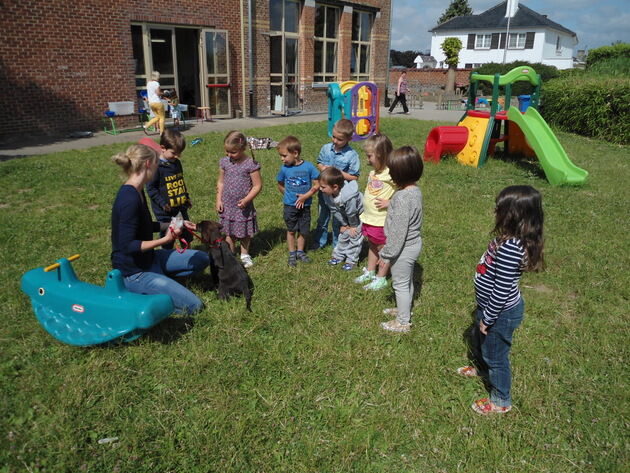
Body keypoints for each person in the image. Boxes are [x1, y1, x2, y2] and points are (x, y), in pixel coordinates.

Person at [458, 185, 545, 415]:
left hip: (499, 313)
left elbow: (502, 290)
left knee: (496, 356)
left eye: (499, 208)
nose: (494, 211)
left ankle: (501, 400)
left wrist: (488, 318)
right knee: (483, 344)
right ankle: (483, 370)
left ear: (513, 216)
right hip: (490, 308)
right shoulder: (509, 240)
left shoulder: (510, 248)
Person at [110, 144, 210, 314]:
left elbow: (145, 226)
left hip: (150, 259)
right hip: (134, 272)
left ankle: (162, 283)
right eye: (157, 163)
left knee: (201, 258)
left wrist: (176, 223)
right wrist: (165, 240)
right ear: (148, 164)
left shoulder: (138, 190)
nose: (158, 168)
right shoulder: (129, 199)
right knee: (195, 306)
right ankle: (140, 291)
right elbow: (127, 246)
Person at [378, 146, 424, 333]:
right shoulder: (414, 191)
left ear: (399, 174)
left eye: (391, 171)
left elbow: (398, 232)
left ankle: (403, 322)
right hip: (412, 244)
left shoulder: (403, 197)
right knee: (406, 281)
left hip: (403, 247)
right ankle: (403, 308)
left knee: (400, 284)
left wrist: (386, 253)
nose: (389, 174)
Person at [216, 131, 263, 268]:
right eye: (227, 151)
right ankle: (230, 255)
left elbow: (257, 185)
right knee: (229, 232)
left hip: (243, 206)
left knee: (244, 232)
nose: (229, 155)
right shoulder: (225, 162)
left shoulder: (250, 164)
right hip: (227, 205)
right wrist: (218, 199)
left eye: (233, 152)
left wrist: (247, 199)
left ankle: (244, 254)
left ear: (243, 148)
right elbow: (220, 182)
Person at [355, 133, 396, 291]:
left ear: (381, 155)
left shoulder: (391, 173)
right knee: (372, 245)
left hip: (381, 221)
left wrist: (390, 202)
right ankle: (371, 271)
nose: (367, 159)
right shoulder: (374, 172)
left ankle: (381, 278)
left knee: (383, 250)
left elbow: (404, 193)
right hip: (369, 218)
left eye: (369, 156)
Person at [312, 119, 360, 250]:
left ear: (349, 139)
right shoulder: (326, 148)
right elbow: (319, 162)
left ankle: (337, 245)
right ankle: (319, 242)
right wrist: (323, 168)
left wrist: (338, 173)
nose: (335, 141)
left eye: (339, 139)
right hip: (325, 191)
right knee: (322, 217)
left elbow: (354, 176)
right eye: (333, 136)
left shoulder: (351, 155)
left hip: (340, 195)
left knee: (338, 221)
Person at [276, 136, 320, 267]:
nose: (282, 159)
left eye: (284, 156)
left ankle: (300, 251)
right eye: (281, 156)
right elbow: (280, 184)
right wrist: (288, 195)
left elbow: (317, 184)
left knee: (303, 230)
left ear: (295, 153)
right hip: (290, 206)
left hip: (305, 206)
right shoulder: (284, 169)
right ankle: (292, 253)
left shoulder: (309, 167)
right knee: (291, 230)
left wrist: (305, 196)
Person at [146, 129, 192, 250]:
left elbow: (180, 181)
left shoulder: (176, 163)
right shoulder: (156, 167)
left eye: (179, 153)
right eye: (174, 153)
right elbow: (151, 189)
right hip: (165, 212)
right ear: (163, 148)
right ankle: (166, 255)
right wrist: (163, 204)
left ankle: (187, 254)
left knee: (186, 234)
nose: (177, 156)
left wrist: (186, 197)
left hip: (180, 208)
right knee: (168, 239)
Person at [319, 167, 363, 271]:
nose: (320, 189)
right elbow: (334, 210)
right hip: (346, 215)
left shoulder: (349, 196)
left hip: (360, 215)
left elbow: (352, 212)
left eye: (323, 187)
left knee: (355, 236)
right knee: (343, 234)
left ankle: (351, 261)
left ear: (335, 187)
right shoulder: (327, 194)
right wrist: (344, 224)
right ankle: (338, 256)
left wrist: (353, 226)